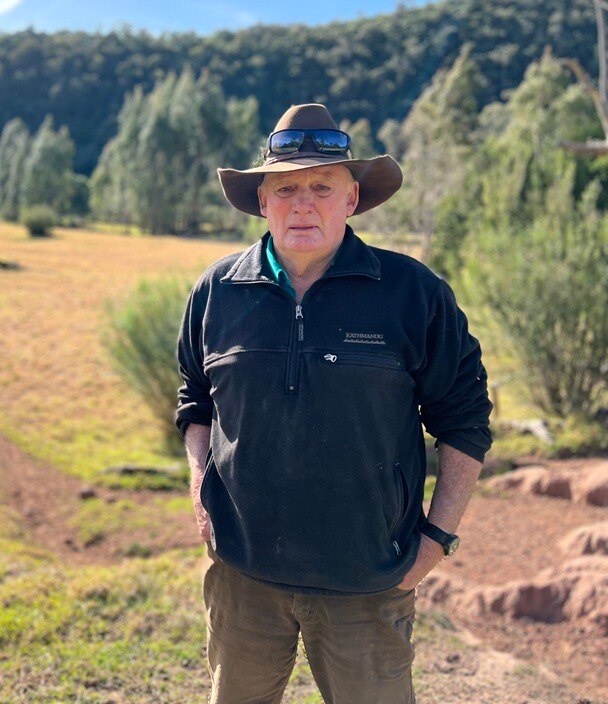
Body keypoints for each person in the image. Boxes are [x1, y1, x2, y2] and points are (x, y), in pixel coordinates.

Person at [175, 103, 493, 704]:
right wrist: (200, 494)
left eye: (322, 186)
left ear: (351, 200)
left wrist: (434, 542)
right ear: (261, 201)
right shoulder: (216, 292)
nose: (303, 203)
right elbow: (195, 403)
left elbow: (465, 420)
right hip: (242, 577)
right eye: (286, 187)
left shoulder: (413, 293)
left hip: (369, 581)